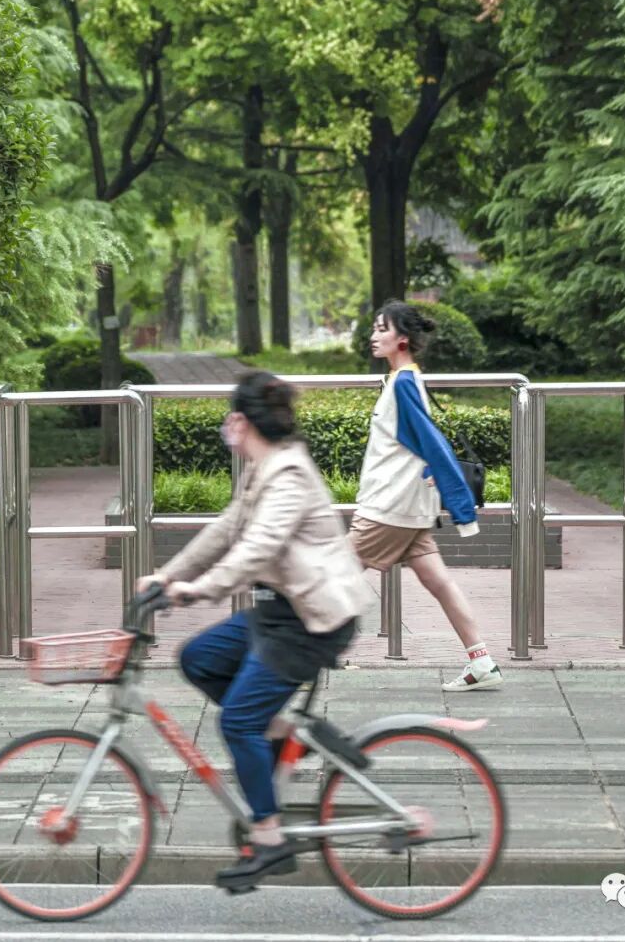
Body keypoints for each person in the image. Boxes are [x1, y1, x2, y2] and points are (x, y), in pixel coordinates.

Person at [138, 370, 369, 886]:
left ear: (240, 422)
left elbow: (258, 547)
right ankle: (287, 733)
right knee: (198, 658)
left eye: (230, 419)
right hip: (277, 612)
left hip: (310, 621)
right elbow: (227, 529)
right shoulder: (261, 468)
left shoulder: (288, 475)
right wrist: (167, 575)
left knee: (238, 723)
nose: (227, 427)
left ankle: (268, 839)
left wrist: (198, 590)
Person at [350, 300, 504, 692]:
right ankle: (482, 662)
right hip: (408, 507)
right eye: (374, 328)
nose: (373, 336)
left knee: (330, 576)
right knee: (439, 582)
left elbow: (433, 445)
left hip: (388, 508)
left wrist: (461, 508)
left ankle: (286, 664)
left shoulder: (403, 383)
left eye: (381, 329)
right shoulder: (403, 379)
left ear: (402, 339)